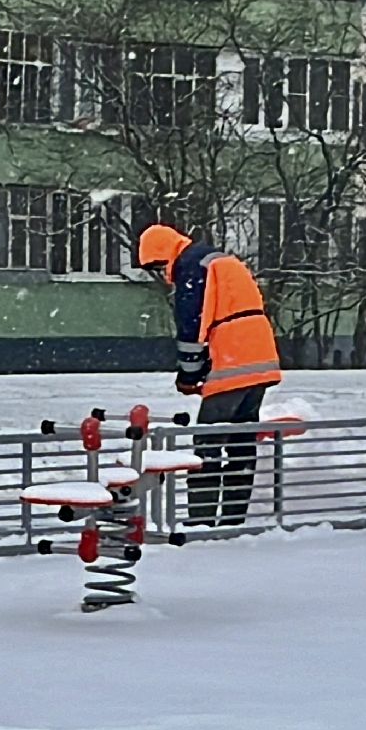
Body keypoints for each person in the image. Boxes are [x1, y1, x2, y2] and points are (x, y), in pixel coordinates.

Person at [137, 222, 282, 527]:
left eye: (159, 265)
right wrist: (204, 368)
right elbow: (220, 314)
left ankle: (201, 521)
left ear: (165, 253)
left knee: (207, 443)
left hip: (234, 355)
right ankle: (233, 519)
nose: (163, 273)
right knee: (242, 440)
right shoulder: (216, 260)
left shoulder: (191, 266)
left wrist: (189, 375)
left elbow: (192, 325)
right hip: (260, 353)